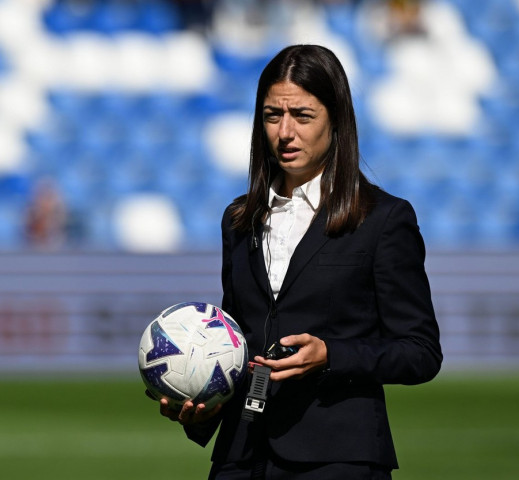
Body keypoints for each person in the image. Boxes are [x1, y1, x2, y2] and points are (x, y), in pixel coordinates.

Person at [156, 44, 442, 479]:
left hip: (337, 459)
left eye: (303, 116)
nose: (285, 131)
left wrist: (331, 355)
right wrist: (202, 408)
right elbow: (238, 346)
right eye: (273, 115)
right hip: (240, 457)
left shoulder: (383, 219)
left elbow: (420, 352)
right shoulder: (238, 219)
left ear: (337, 120)